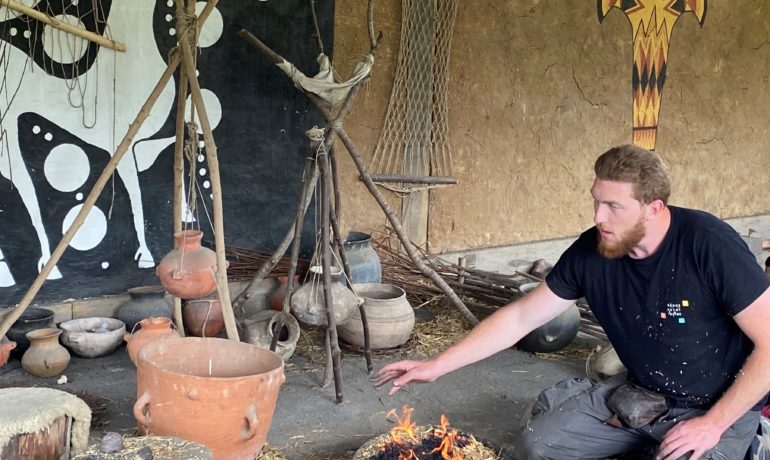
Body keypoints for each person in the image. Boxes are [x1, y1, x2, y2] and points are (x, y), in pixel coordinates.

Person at [373, 145, 770, 460]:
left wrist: (715, 422)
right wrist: (438, 364)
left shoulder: (708, 245)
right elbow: (521, 317)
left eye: (614, 206)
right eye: (596, 201)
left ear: (653, 209)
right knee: (537, 447)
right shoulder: (591, 251)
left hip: (717, 405)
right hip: (642, 393)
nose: (599, 216)